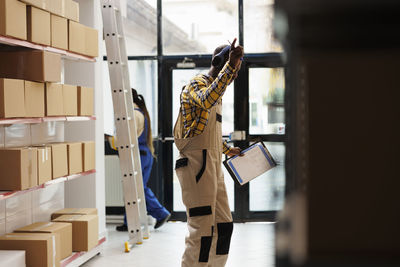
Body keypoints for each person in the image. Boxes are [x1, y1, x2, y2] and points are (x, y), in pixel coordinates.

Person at [173, 38, 244, 267]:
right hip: (196, 167)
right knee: (201, 228)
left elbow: (208, 129)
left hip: (213, 165)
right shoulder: (196, 85)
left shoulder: (217, 93)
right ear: (218, 63)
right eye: (232, 70)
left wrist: (226, 149)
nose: (234, 76)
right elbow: (206, 100)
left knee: (224, 225)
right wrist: (230, 66)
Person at [112, 88, 171, 231]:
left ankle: (160, 213)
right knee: (132, 189)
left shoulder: (131, 113)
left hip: (139, 155)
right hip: (143, 154)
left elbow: (125, 138)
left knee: (137, 188)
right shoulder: (139, 112)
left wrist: (111, 138)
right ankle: (129, 223)